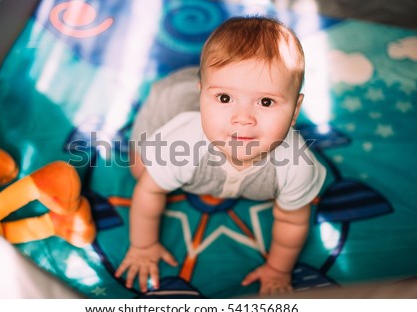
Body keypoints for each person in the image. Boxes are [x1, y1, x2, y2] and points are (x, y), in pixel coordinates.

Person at [115, 16, 326, 295]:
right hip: (175, 102)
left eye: (266, 102)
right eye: (225, 99)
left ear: (295, 109)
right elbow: (149, 193)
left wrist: (278, 269)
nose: (243, 118)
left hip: (205, 91)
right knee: (141, 170)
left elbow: (292, 220)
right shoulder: (183, 145)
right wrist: (142, 247)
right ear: (203, 95)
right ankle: (195, 85)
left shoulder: (297, 165)